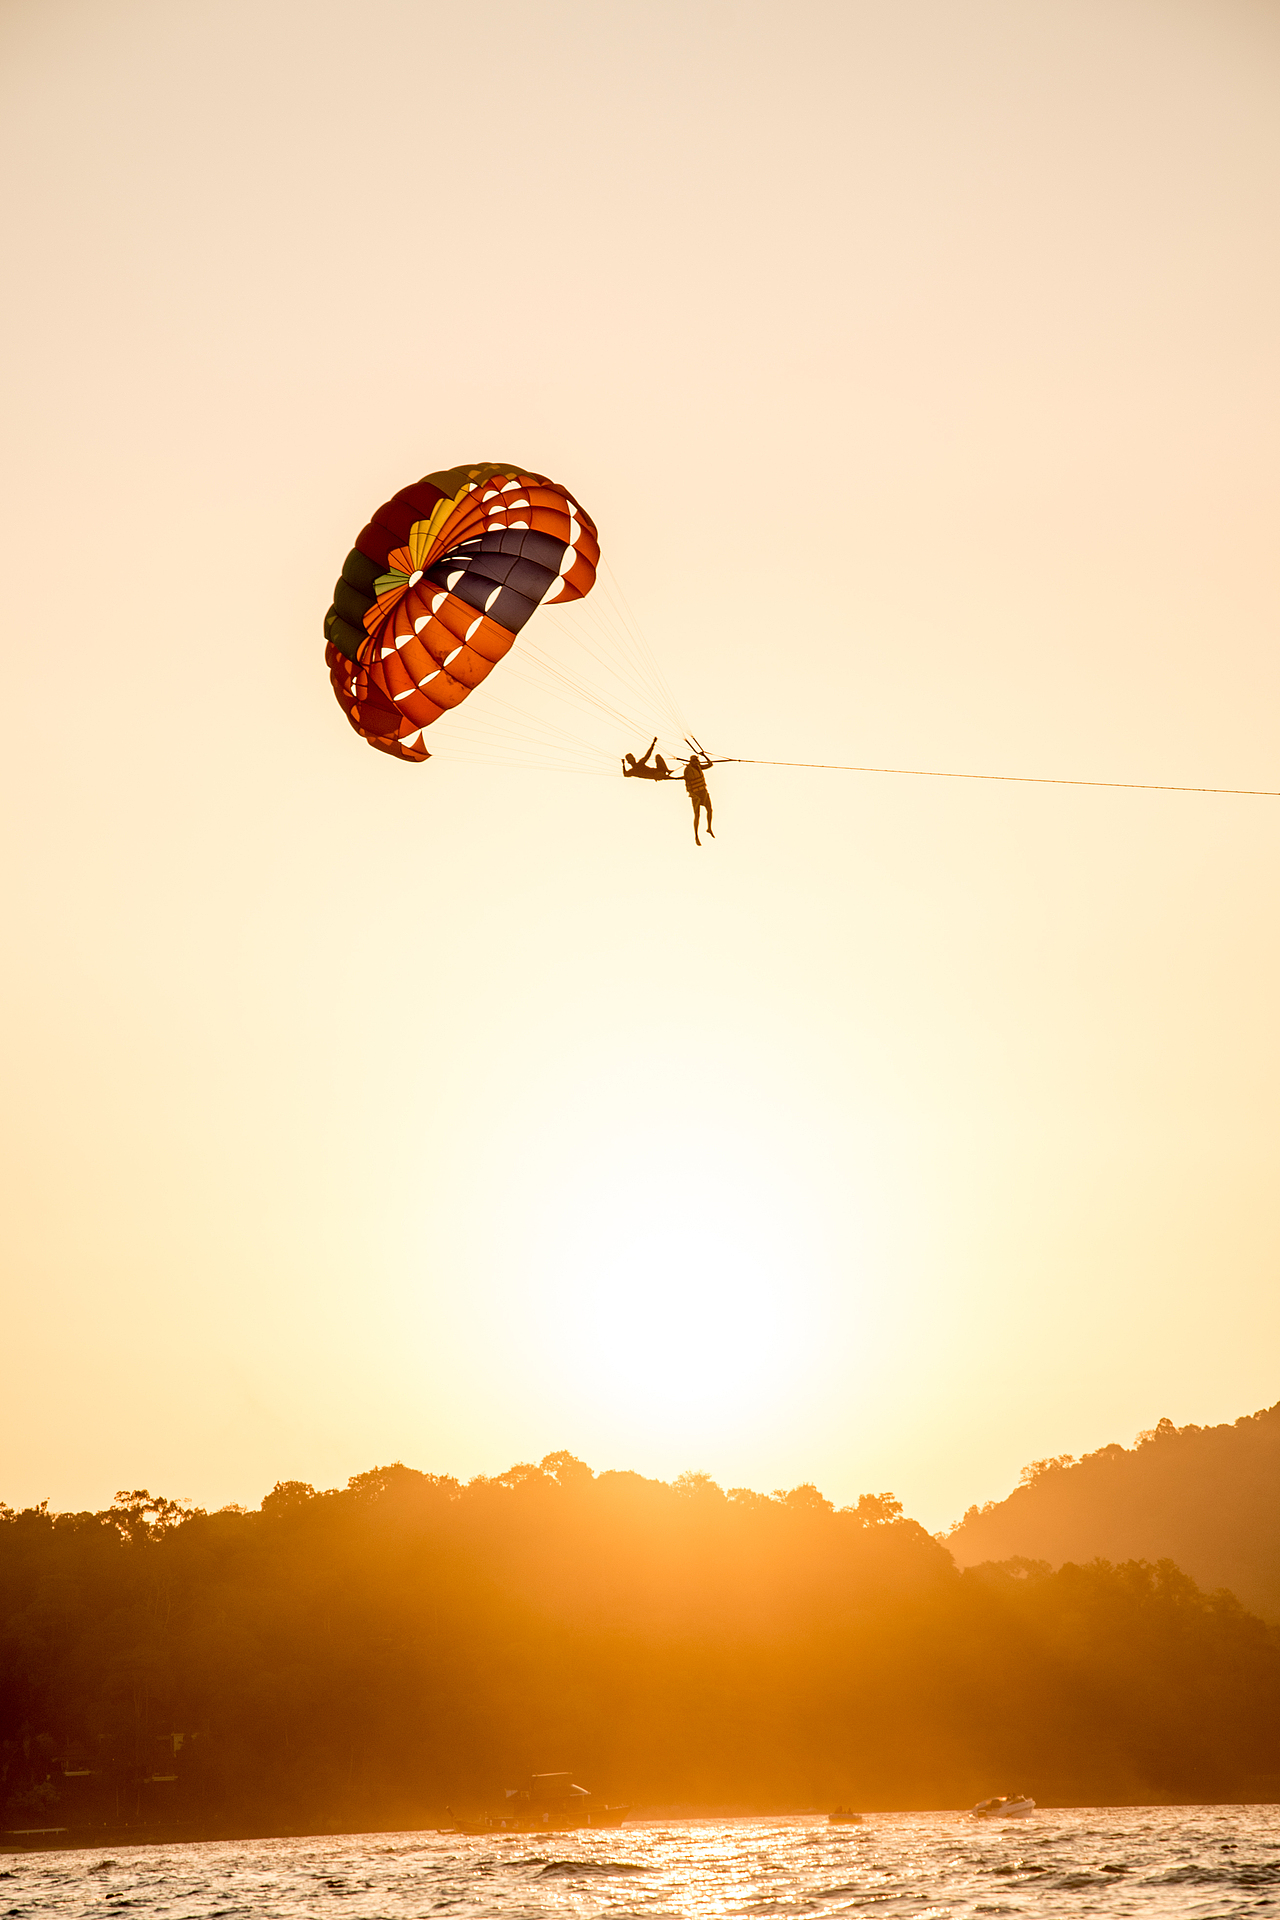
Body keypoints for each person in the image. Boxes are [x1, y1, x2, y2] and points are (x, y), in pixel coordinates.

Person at [683, 747, 714, 844]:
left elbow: (710, 764)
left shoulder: (699, 766)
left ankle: (709, 828)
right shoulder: (687, 770)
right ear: (691, 762)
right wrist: (692, 795)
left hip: (703, 792)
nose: (696, 763)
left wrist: (704, 755)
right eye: (694, 761)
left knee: (710, 810)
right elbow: (687, 785)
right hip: (695, 794)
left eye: (697, 761)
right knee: (697, 815)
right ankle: (696, 836)